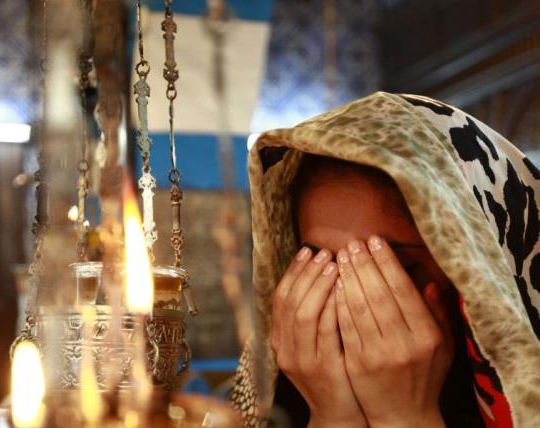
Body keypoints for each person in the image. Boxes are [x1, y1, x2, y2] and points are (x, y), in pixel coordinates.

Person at [229, 92, 540, 428]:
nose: (353, 301)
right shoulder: (285, 373)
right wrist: (334, 415)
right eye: (317, 264)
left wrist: (405, 417)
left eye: (398, 268)